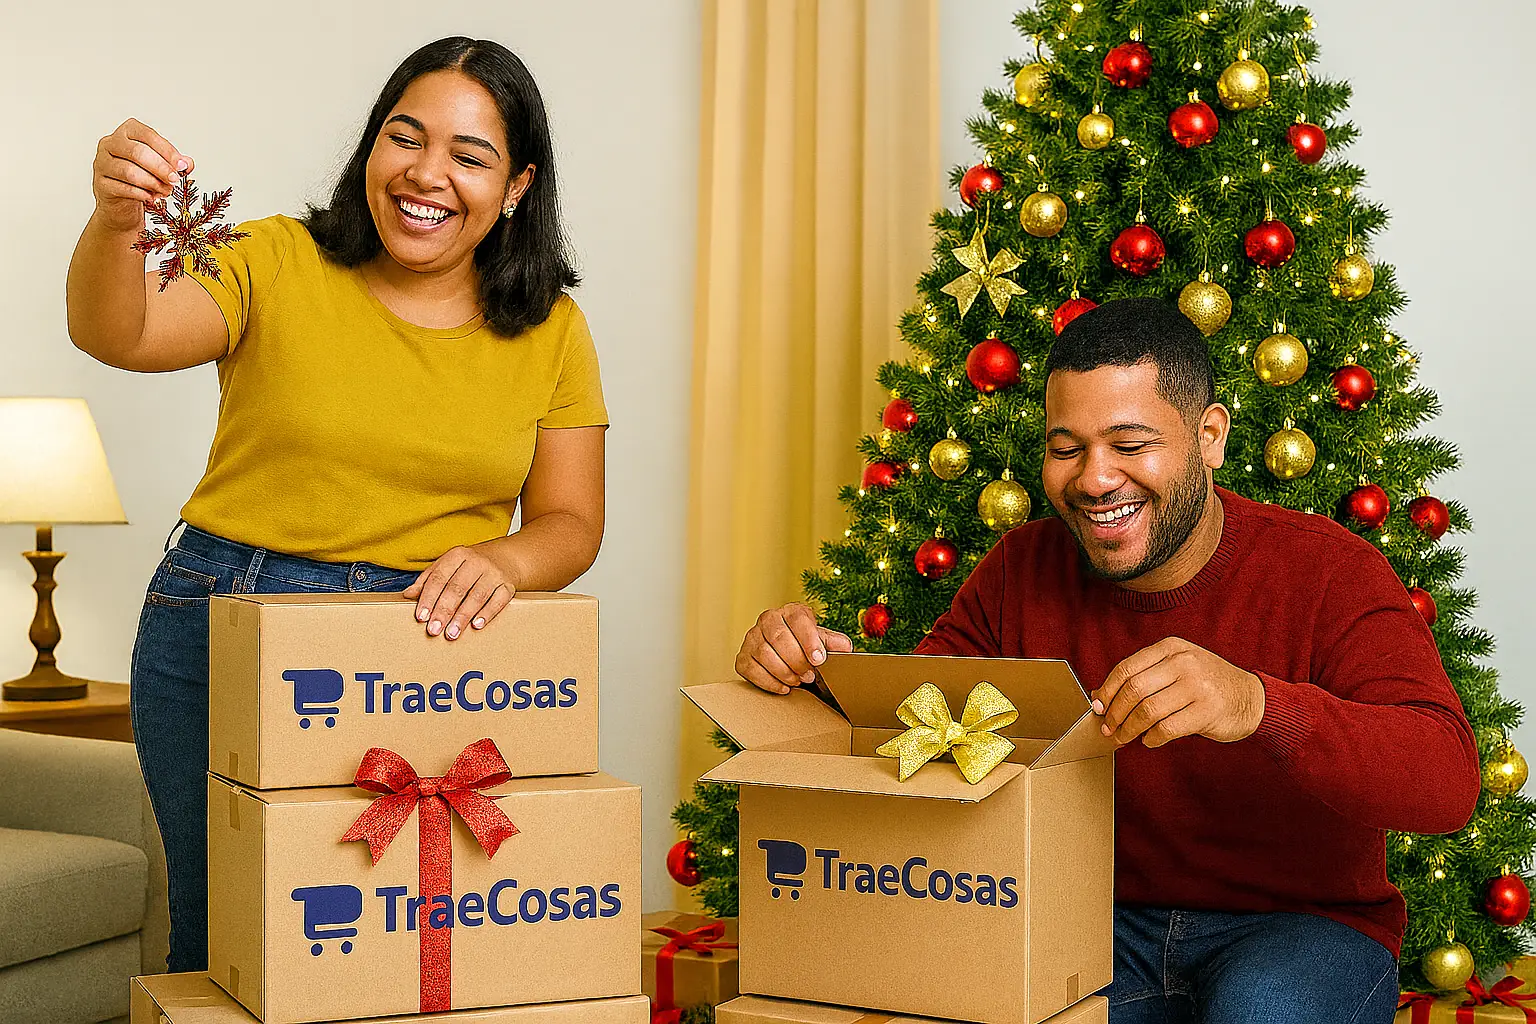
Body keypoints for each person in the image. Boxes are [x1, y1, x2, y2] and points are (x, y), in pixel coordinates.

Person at [735, 297, 1480, 1023]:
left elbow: (1446, 782)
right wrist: (818, 672)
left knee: (1263, 1009)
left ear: (1209, 437)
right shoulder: (1019, 569)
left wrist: (1255, 705)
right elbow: (916, 723)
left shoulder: (1329, 572)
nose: (1094, 480)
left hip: (1302, 927)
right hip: (1088, 916)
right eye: (1066, 449)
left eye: (1129, 445)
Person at [66, 37, 606, 973]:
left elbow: (572, 522)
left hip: (421, 650)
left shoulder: (551, 327)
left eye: (469, 156)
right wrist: (117, 223)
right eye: (406, 137)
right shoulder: (276, 256)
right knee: (228, 927)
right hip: (224, 620)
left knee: (390, 939)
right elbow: (121, 332)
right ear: (372, 145)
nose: (426, 173)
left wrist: (505, 560)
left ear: (517, 186)